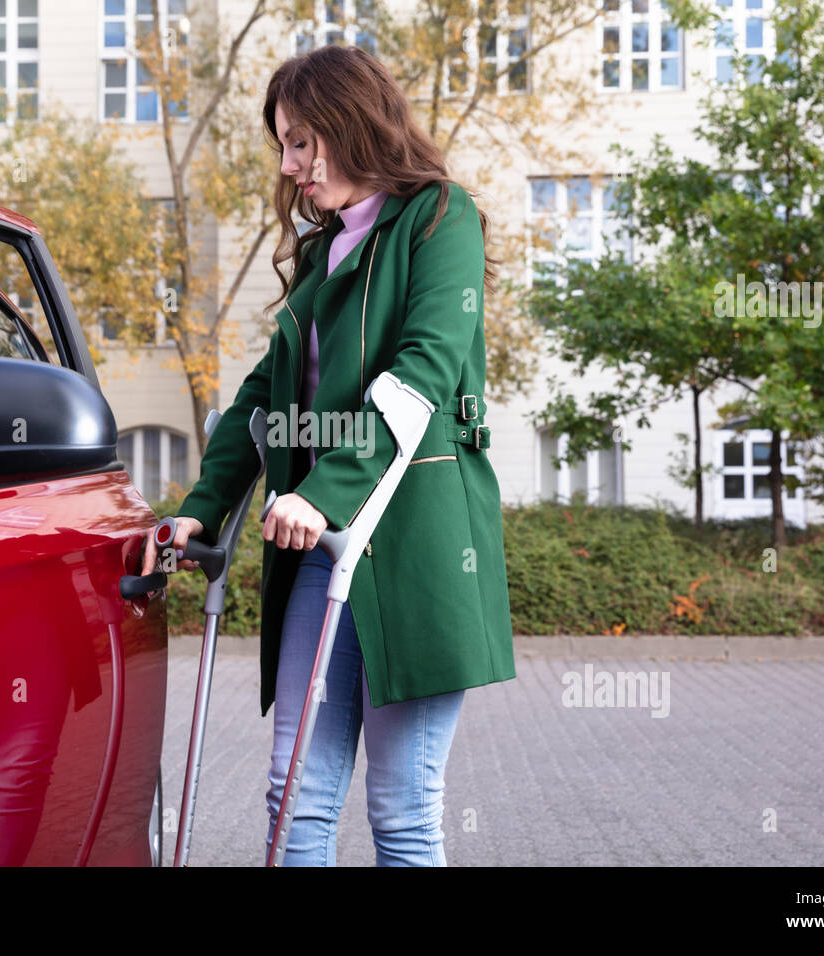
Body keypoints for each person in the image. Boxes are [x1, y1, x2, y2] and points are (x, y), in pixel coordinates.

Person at [142, 44, 516, 866]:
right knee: (293, 800)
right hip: (319, 547)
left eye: (303, 141)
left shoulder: (438, 217)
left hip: (414, 545)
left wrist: (326, 491)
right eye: (283, 145)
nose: (290, 166)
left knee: (403, 809)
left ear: (353, 123)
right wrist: (202, 508)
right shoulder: (323, 251)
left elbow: (421, 372)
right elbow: (260, 399)